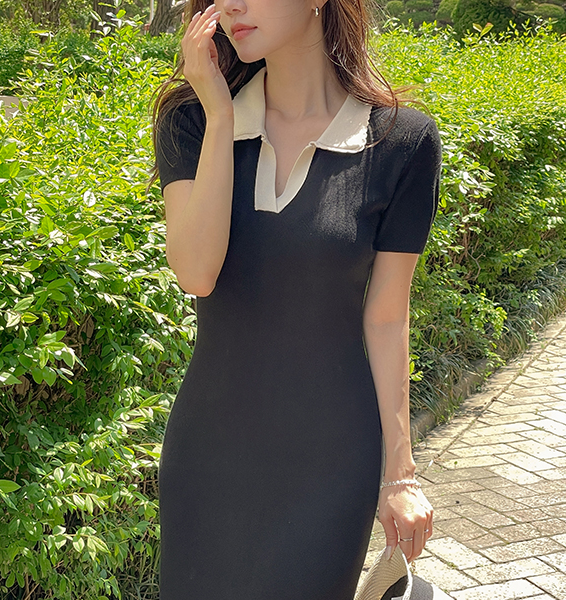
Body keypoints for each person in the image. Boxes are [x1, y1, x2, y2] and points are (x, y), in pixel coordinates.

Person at [152, 0, 441, 598]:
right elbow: (197, 272)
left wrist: (399, 475)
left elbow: (386, 316)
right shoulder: (192, 117)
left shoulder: (400, 140)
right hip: (210, 456)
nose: (230, 6)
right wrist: (220, 114)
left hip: (330, 463)